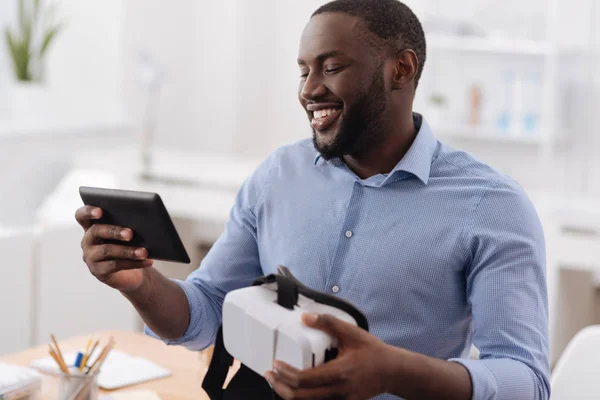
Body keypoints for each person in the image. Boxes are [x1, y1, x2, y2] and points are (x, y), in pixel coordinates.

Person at [75, 0, 550, 399]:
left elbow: (526, 379)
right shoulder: (277, 175)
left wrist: (393, 370)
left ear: (400, 69)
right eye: (303, 70)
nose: (308, 90)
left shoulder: (491, 205)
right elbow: (206, 311)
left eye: (332, 67)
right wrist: (140, 283)